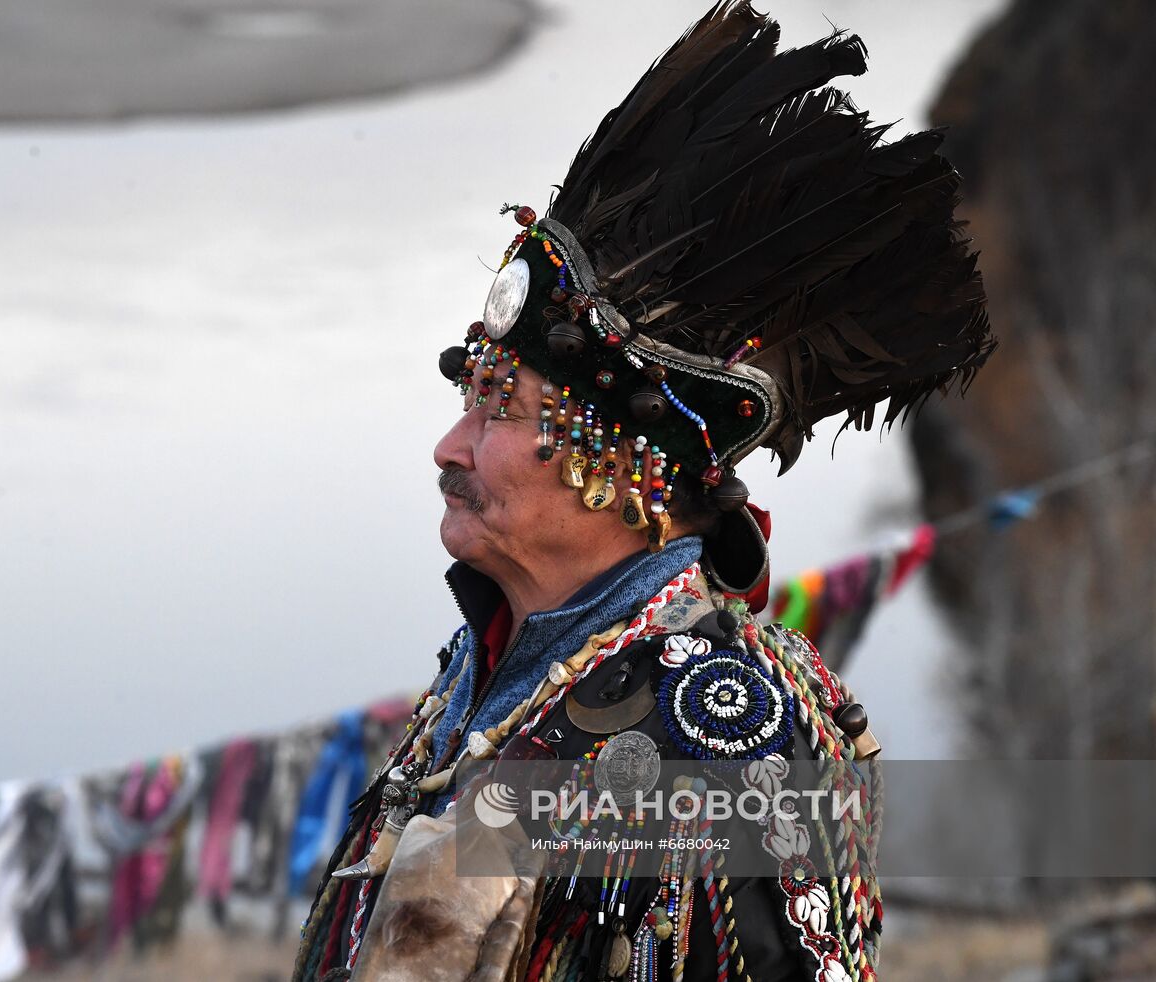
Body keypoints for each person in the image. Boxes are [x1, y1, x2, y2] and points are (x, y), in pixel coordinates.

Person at [293, 3, 993, 979]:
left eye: (497, 409)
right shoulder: (488, 676)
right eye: (466, 398)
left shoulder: (721, 728)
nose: (448, 446)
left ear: (619, 459)